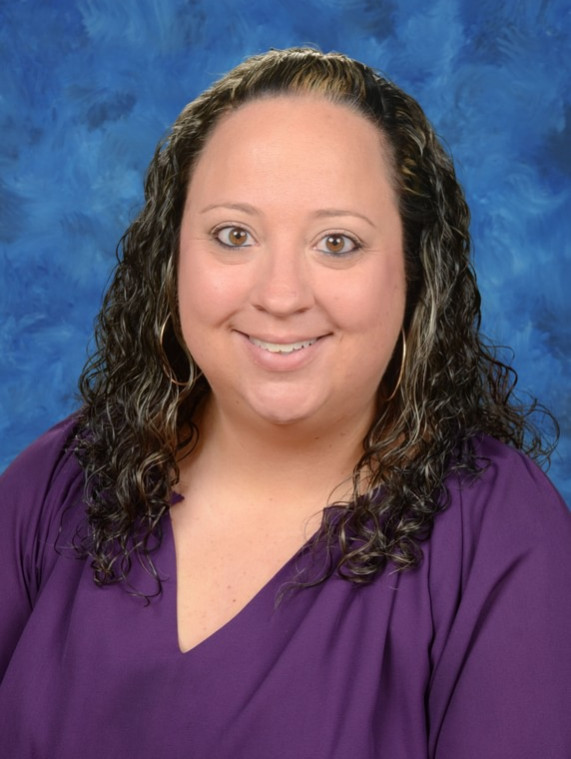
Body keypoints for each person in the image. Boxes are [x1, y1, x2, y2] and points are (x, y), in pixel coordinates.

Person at [1, 47, 570, 758]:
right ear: (173, 255)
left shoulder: (500, 534)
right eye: (233, 235)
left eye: (337, 242)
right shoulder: (53, 485)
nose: (278, 295)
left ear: (416, 273)